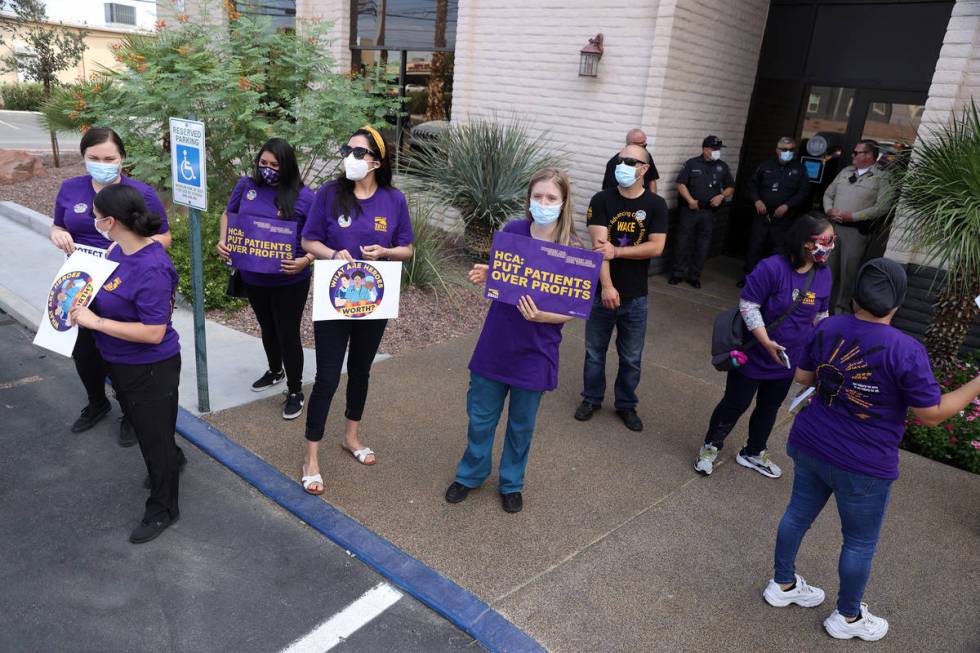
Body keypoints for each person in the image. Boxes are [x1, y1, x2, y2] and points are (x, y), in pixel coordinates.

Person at [762, 258, 980, 642]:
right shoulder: (905, 349)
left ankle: (782, 585)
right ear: (897, 302)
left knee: (797, 514)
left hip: (811, 441)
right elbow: (931, 414)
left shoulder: (829, 327)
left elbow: (801, 376)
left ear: (857, 294)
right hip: (864, 463)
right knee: (859, 542)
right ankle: (847, 617)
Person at [445, 168, 578, 513]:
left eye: (551, 198)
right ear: (528, 199)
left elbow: (573, 309)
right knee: (481, 417)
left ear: (563, 203)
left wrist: (542, 316)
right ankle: (470, 474)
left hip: (536, 349)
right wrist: (488, 273)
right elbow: (505, 275)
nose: (543, 203)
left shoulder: (572, 250)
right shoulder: (514, 232)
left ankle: (511, 482)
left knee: (521, 425)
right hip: (497, 341)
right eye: (537, 197)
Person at [299, 126, 414, 495]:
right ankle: (311, 458)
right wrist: (332, 254)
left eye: (358, 151)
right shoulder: (330, 194)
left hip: (372, 300)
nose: (350, 156)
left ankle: (351, 437)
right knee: (328, 378)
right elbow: (307, 239)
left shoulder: (394, 200)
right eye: (347, 149)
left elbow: (407, 248)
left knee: (361, 370)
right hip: (334, 300)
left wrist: (386, 252)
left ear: (377, 162)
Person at [67, 184, 183, 544]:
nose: (94, 222)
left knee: (153, 440)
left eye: (97, 217)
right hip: (120, 361)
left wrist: (96, 322)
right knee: (154, 429)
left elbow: (152, 332)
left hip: (149, 366)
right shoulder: (116, 248)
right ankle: (173, 458)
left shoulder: (152, 268)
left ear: (112, 221)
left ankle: (164, 508)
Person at [50, 127, 171, 445]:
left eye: (109, 158)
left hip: (123, 283)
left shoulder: (140, 193)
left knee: (120, 354)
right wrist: (57, 234)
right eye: (94, 158)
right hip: (80, 281)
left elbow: (164, 237)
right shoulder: (70, 189)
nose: (101, 163)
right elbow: (58, 224)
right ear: (83, 158)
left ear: (122, 159)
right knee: (84, 352)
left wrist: (125, 246)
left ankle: (130, 414)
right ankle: (97, 402)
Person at [695, 213, 834, 478]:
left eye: (832, 240)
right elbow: (748, 304)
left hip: (788, 359)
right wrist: (765, 341)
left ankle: (754, 452)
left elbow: (821, 316)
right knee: (736, 403)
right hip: (755, 354)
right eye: (826, 240)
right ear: (806, 242)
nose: (830, 246)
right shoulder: (771, 268)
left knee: (769, 406)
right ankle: (711, 446)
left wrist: (822, 351)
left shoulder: (824, 274)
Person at [217, 138, 315, 420]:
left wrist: (305, 260)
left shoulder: (305, 196)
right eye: (264, 163)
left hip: (289, 279)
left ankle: (295, 390)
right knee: (267, 328)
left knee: (288, 333)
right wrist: (224, 240)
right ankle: (275, 371)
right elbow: (229, 215)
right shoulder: (246, 186)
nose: (268, 169)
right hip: (253, 275)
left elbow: (318, 236)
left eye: (275, 165)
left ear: (287, 166)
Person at [573, 144, 668, 432]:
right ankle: (591, 398)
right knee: (594, 352)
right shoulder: (602, 200)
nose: (622, 165)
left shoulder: (656, 205)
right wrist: (607, 286)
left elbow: (657, 246)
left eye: (630, 161)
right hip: (604, 291)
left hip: (636, 295)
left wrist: (619, 253)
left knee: (631, 357)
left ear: (644, 169)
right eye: (619, 159)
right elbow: (599, 248)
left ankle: (626, 405)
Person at [822, 139, 895, 315]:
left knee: (848, 274)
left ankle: (840, 312)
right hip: (834, 229)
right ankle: (821, 308)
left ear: (869, 155)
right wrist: (829, 210)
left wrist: (853, 216)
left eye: (857, 153)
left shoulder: (882, 177)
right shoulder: (846, 172)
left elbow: (883, 206)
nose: (852, 155)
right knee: (827, 270)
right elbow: (828, 194)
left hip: (855, 233)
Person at [741, 137, 810, 283]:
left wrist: (787, 205)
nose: (788, 152)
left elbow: (803, 192)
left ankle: (770, 282)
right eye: (784, 149)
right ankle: (748, 278)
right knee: (755, 247)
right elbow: (752, 185)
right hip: (763, 215)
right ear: (777, 150)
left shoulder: (800, 169)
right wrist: (757, 200)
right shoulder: (765, 166)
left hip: (784, 219)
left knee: (778, 251)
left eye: (791, 150)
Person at [670, 135, 735, 288]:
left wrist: (721, 196)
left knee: (702, 245)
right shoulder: (692, 164)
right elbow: (680, 184)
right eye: (715, 149)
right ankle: (677, 273)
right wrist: (690, 200)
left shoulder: (722, 166)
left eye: (719, 149)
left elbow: (730, 187)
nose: (717, 152)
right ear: (706, 149)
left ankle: (694, 275)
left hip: (709, 212)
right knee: (682, 242)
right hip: (690, 210)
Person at [601, 129, 660, 194]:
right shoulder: (614, 163)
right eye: (642, 146)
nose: (644, 148)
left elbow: (652, 179)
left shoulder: (646, 156)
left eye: (645, 144)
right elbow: (608, 189)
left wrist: (653, 199)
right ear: (630, 144)